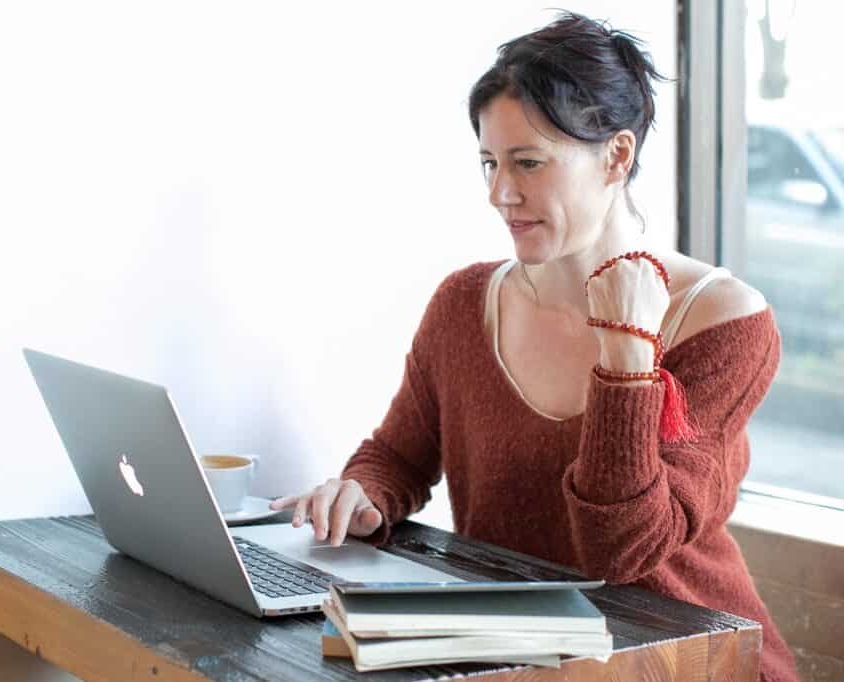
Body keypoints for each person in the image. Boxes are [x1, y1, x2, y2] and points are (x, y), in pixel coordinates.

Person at [269, 11, 797, 682]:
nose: (500, 193)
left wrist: (628, 359)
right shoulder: (464, 304)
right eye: (489, 163)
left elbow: (619, 551)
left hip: (685, 663)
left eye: (528, 163)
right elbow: (397, 457)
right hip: (521, 661)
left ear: (617, 156)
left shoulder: (724, 322)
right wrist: (363, 492)